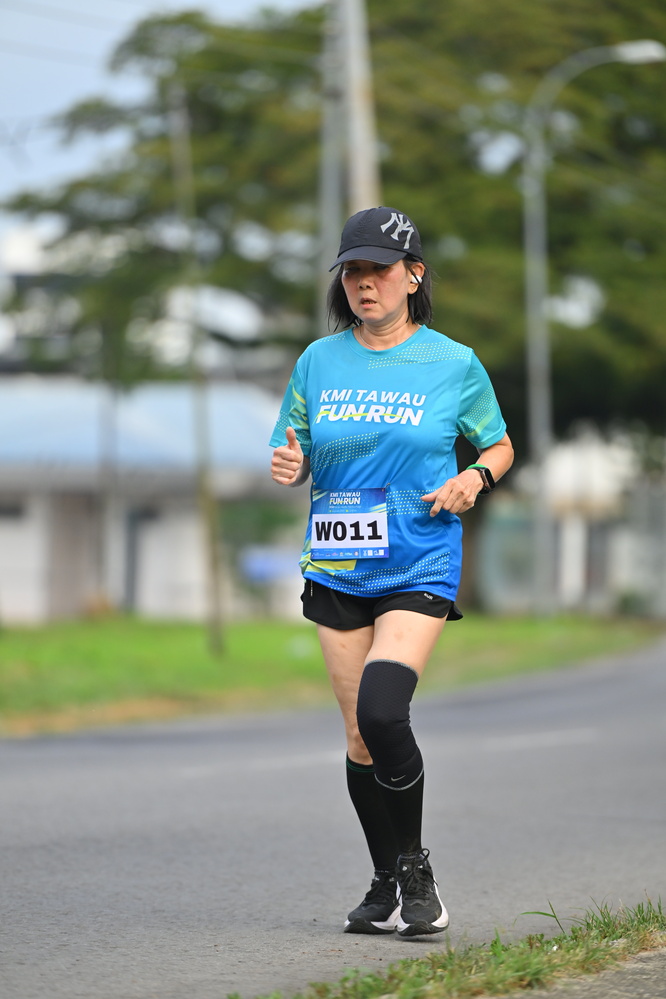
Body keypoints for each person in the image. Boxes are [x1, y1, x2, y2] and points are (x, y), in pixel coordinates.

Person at [269, 206, 514, 937]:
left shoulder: (453, 362)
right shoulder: (318, 361)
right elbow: (294, 445)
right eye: (353, 271)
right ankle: (384, 880)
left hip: (419, 556)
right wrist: (290, 464)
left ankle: (415, 870)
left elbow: (498, 446)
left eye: (379, 269)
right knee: (358, 736)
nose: (364, 283)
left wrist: (474, 478)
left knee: (382, 710)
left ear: (414, 276)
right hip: (339, 560)